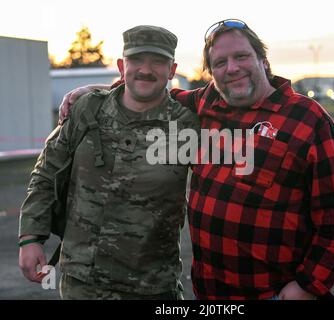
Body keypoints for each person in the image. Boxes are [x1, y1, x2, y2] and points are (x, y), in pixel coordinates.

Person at [59, 19, 334, 300]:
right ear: (211, 74)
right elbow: (148, 90)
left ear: (262, 61)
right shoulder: (205, 104)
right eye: (220, 63)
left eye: (241, 57)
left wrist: (306, 286)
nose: (232, 68)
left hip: (274, 292)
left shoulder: (307, 118)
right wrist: (96, 93)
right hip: (211, 293)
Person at [18, 25, 199, 300]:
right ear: (121, 65)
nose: (146, 69)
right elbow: (46, 173)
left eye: (158, 61)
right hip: (82, 283)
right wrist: (31, 237)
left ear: (172, 70)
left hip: (152, 285)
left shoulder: (187, 127)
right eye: (136, 60)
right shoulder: (87, 109)